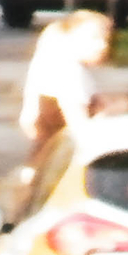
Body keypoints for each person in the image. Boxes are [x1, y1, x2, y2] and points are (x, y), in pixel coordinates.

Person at [17, 9, 114, 151]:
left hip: (50, 155)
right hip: (63, 159)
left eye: (105, 39)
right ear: (69, 39)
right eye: (94, 38)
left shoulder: (66, 68)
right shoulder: (69, 74)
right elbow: (79, 127)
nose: (102, 45)